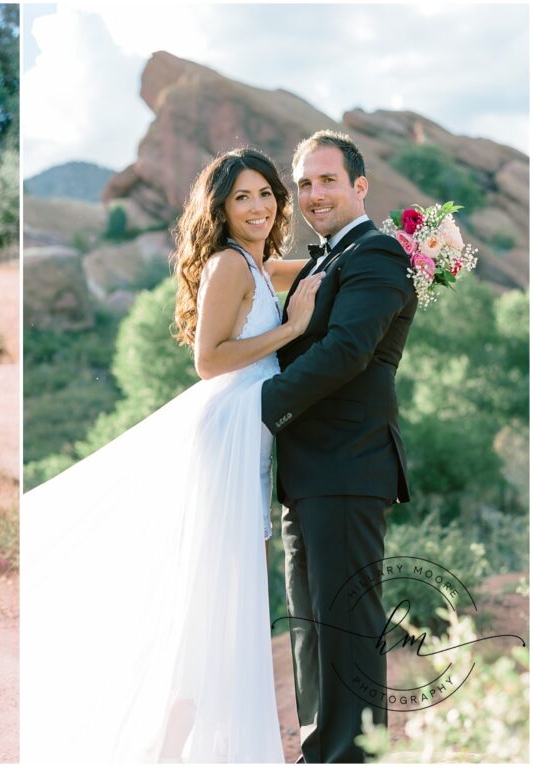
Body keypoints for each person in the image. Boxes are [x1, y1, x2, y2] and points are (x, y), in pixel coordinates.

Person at [23, 148, 323, 762]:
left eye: (266, 193)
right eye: (242, 197)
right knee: (213, 603)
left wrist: (406, 244)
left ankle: (178, 749)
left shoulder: (259, 265)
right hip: (227, 436)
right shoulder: (230, 266)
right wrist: (292, 330)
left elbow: (324, 264)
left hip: (250, 433)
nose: (258, 206)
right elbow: (209, 361)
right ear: (221, 208)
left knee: (225, 602)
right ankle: (165, 752)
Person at [261, 130, 417, 763]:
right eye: (303, 182)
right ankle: (319, 750)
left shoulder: (377, 254)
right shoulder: (328, 257)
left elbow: (347, 351)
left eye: (327, 180)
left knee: (346, 630)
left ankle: (351, 757)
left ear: (360, 186)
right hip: (310, 472)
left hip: (349, 468)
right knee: (311, 628)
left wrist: (257, 410)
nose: (313, 193)